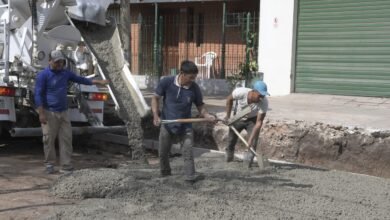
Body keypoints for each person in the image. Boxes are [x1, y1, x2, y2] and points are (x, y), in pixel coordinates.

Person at [34, 50, 109, 174]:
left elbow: (81, 80)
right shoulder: (43, 75)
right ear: (50, 61)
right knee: (49, 139)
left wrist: (98, 82)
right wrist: (41, 113)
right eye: (57, 62)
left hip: (63, 112)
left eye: (61, 62)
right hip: (49, 112)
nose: (59, 64)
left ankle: (66, 165)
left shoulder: (65, 73)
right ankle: (49, 164)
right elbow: (38, 95)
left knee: (66, 139)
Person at [151, 60, 215, 183]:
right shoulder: (167, 82)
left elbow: (200, 106)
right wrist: (155, 115)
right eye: (190, 77)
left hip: (185, 125)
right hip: (167, 123)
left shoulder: (194, 88)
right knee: (163, 152)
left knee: (188, 151)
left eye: (194, 77)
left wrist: (207, 115)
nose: (193, 80)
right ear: (182, 73)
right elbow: (155, 98)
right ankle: (165, 174)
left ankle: (190, 177)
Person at [224, 80, 269, 168]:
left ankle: (247, 165)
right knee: (231, 140)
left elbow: (259, 122)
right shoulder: (240, 92)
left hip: (253, 120)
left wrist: (250, 139)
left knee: (253, 143)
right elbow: (229, 99)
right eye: (259, 96)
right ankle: (228, 160)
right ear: (253, 91)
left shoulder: (264, 102)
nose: (261, 98)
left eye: (263, 96)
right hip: (238, 117)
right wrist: (228, 117)